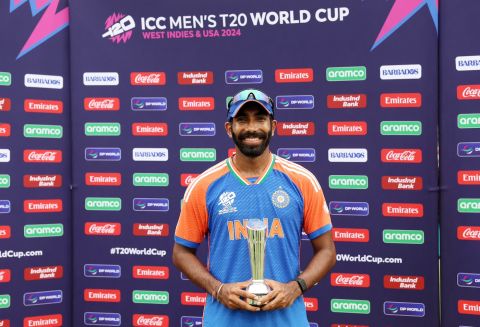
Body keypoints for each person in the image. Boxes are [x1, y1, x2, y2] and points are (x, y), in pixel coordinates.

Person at [173, 89, 336, 326]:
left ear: (273, 126)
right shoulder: (204, 185)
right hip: (225, 320)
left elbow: (327, 251)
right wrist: (218, 289)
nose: (252, 128)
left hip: (286, 320)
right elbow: (181, 253)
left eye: (260, 119)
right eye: (242, 120)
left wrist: (295, 287)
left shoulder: (302, 181)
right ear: (229, 129)